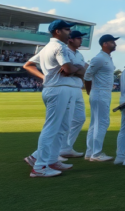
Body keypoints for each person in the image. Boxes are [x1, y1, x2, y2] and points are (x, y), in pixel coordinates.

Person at [22, 20, 84, 178]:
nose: (69, 32)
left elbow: (28, 65)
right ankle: (39, 167)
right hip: (58, 90)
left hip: (60, 88)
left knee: (62, 127)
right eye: (66, 29)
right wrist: (78, 69)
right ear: (57, 31)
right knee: (51, 128)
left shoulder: (48, 47)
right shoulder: (58, 46)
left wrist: (46, 77)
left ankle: (50, 160)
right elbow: (69, 69)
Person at [83, 34, 119, 162]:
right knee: (102, 123)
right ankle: (96, 154)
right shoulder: (98, 58)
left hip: (103, 92)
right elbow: (87, 76)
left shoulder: (107, 58)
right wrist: (90, 91)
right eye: (112, 42)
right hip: (100, 92)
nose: (115, 44)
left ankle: (90, 152)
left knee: (95, 123)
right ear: (105, 44)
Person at [59, 30, 89, 158]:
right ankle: (58, 149)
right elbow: (67, 71)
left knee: (80, 118)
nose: (81, 40)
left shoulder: (79, 55)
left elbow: (84, 70)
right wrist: (79, 70)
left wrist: (78, 70)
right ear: (70, 39)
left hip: (77, 88)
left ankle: (66, 147)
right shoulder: (65, 51)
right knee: (64, 121)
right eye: (78, 38)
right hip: (67, 87)